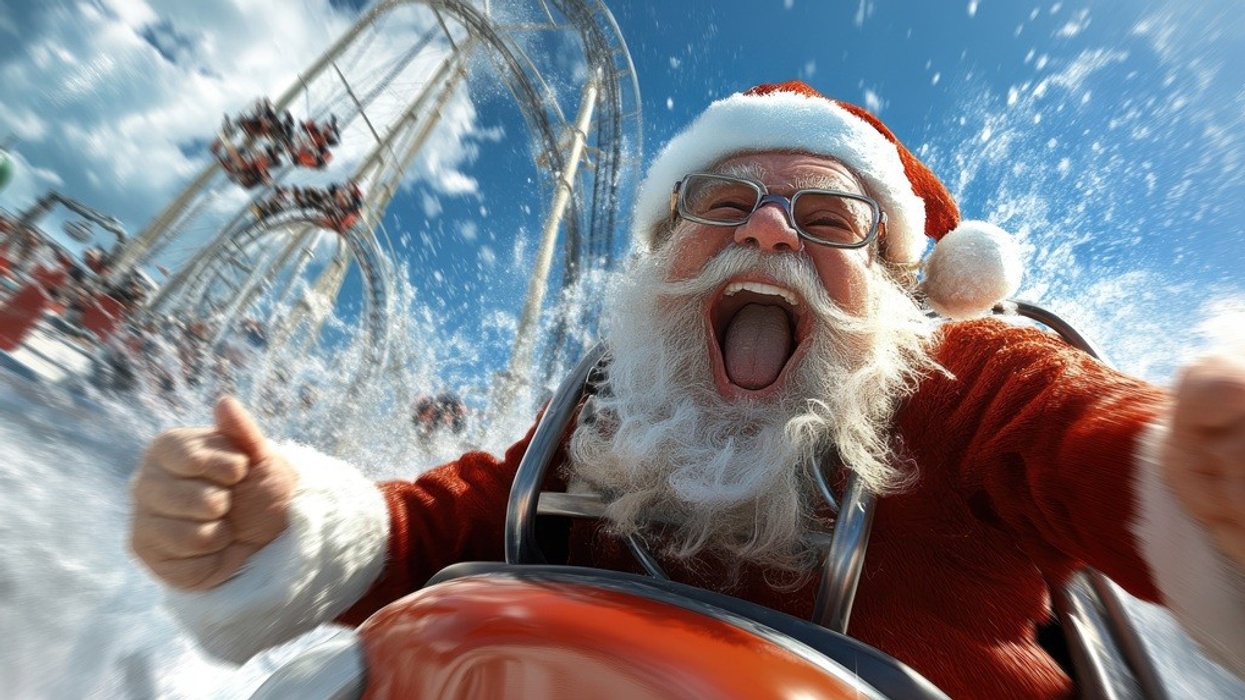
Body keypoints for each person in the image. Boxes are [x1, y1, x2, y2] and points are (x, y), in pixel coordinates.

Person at [128, 81, 1245, 699]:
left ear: (901, 287)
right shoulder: (610, 412)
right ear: (662, 259)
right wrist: (276, 528)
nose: (767, 225)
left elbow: (1102, 445)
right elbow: (431, 531)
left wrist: (1206, 482)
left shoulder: (965, 383)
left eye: (826, 220)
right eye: (726, 204)